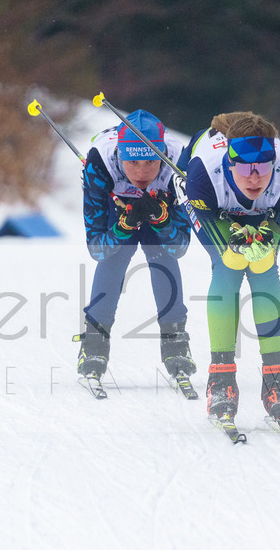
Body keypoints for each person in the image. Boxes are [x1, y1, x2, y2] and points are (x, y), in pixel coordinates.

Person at [179, 111, 280, 424]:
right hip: (210, 204)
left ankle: (277, 380)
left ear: (273, 163)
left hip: (263, 211)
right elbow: (220, 242)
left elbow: (273, 239)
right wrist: (234, 240)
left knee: (264, 265)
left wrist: (265, 236)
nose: (254, 178)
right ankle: (221, 379)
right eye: (246, 168)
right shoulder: (202, 175)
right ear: (230, 161)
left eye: (263, 167)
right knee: (229, 265)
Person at [75, 109, 195, 387]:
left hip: (162, 201)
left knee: (162, 254)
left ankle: (176, 344)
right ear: (120, 155)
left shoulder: (180, 164)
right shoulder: (99, 163)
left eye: (151, 162)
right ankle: (93, 348)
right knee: (115, 256)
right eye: (132, 163)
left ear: (163, 154)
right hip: (116, 206)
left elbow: (179, 247)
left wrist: (163, 219)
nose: (141, 173)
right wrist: (122, 228)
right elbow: (97, 249)